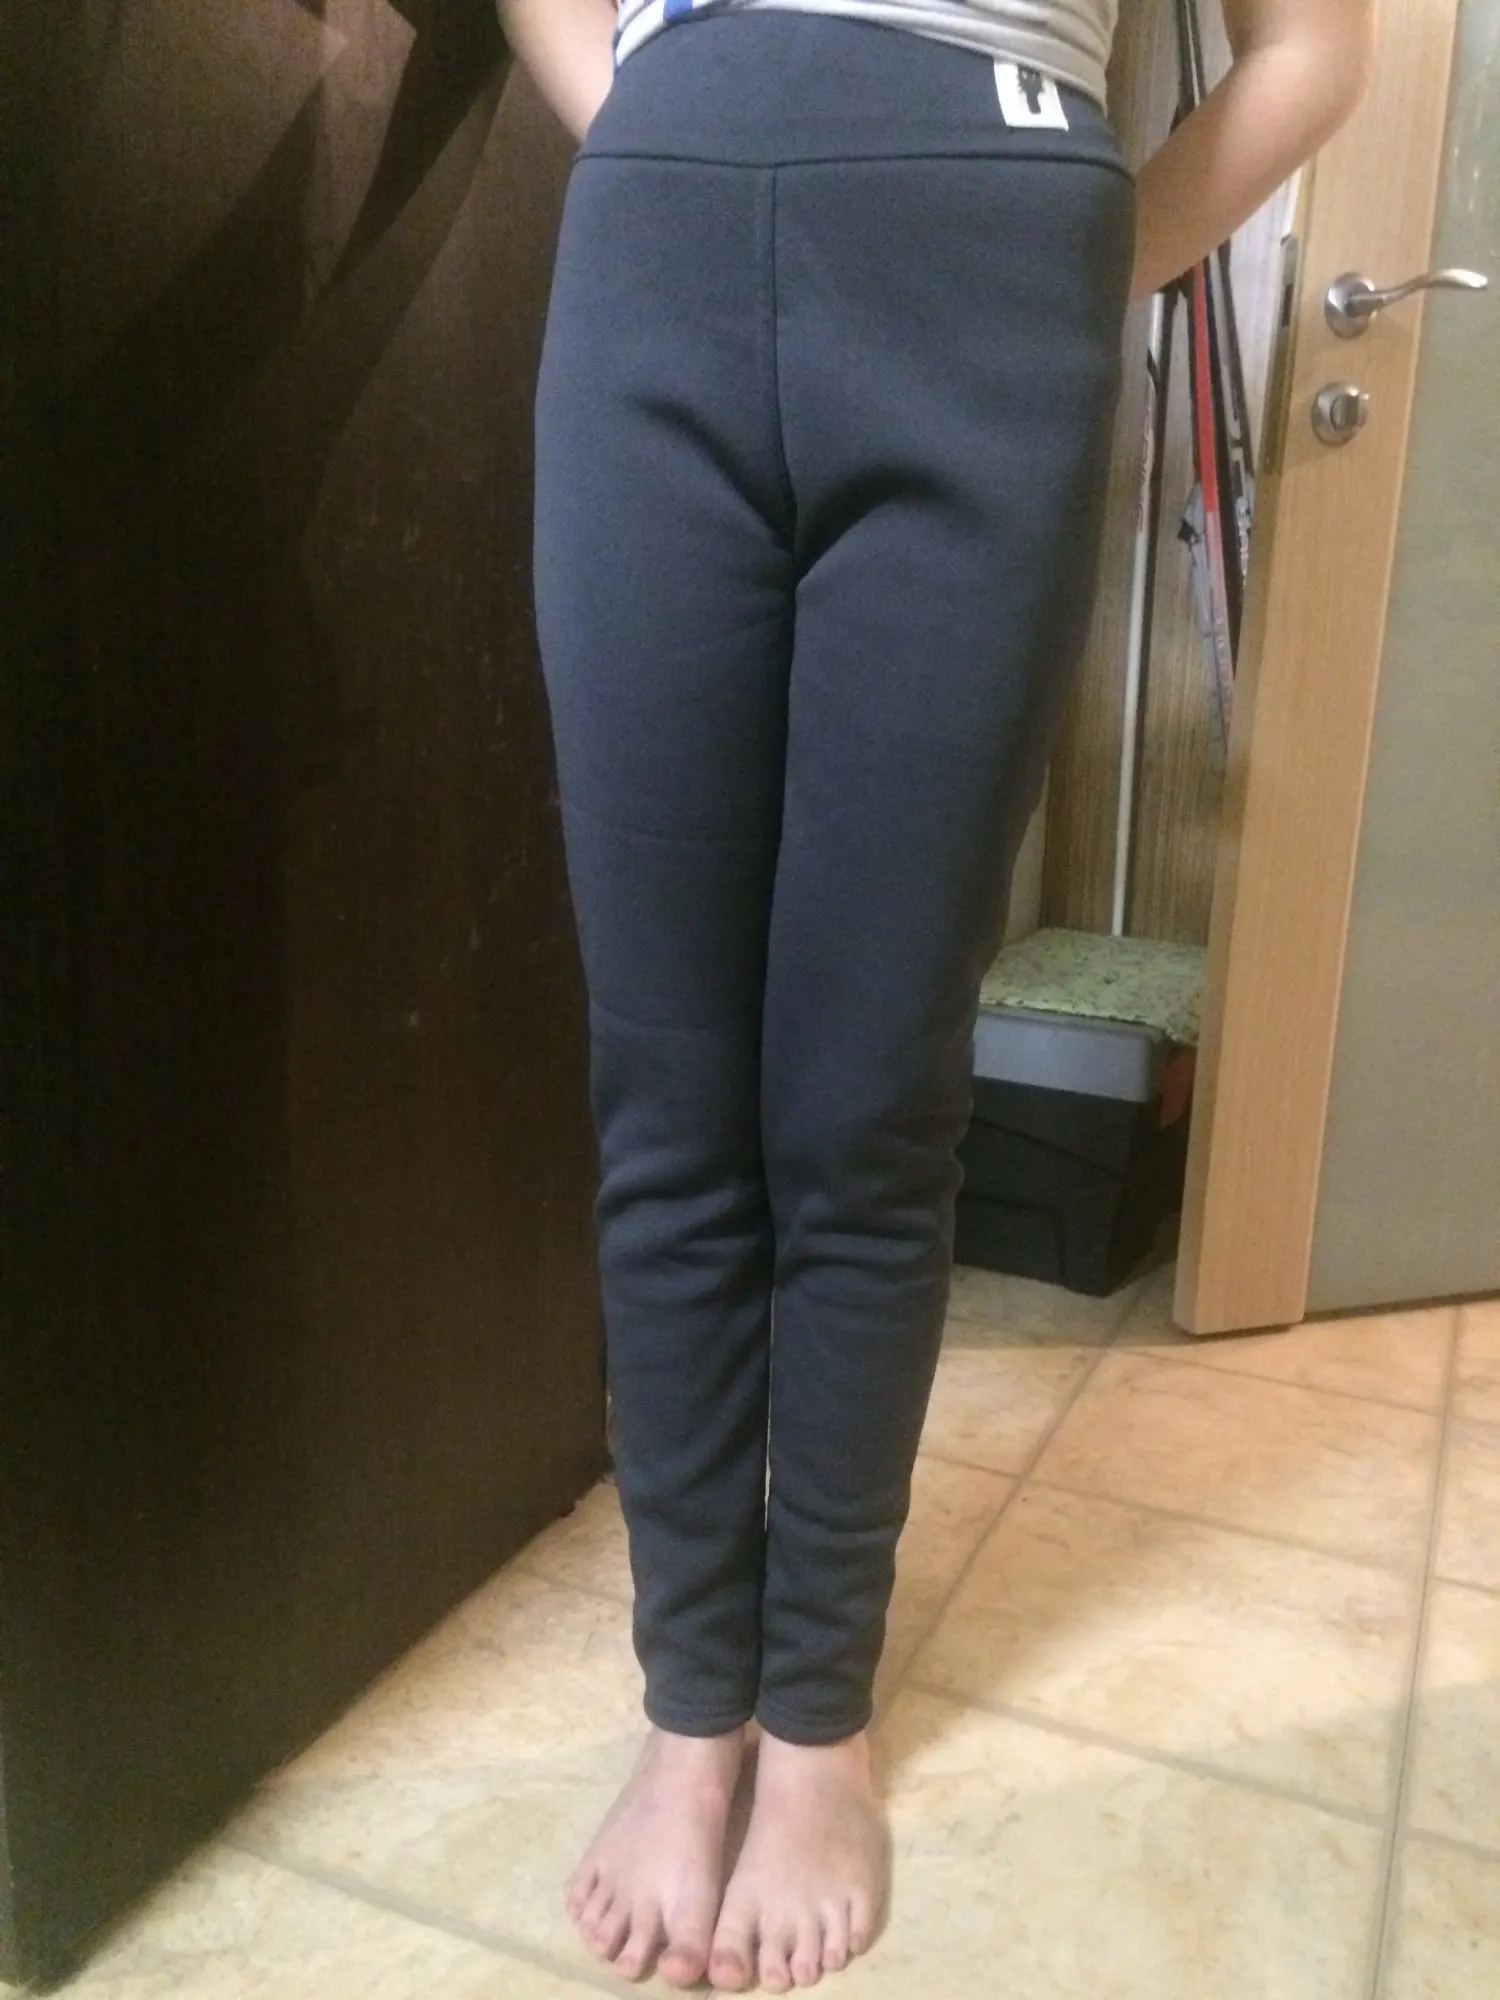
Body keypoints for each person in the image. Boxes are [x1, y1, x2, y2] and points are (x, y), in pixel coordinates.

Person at [497, 0, 1372, 1990]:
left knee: (866, 1098)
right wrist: (658, 114)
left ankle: (815, 1719)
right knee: (667, 1088)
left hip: (994, 247)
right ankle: (689, 1710)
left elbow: (1318, 52)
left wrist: (1075, 244)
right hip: (657, 238)